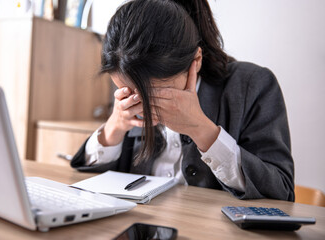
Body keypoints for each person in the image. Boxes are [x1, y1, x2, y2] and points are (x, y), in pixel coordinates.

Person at [71, 0, 294, 201]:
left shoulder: (251, 84)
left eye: (159, 93)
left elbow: (281, 191)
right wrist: (115, 128)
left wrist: (202, 130)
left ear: (195, 61)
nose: (146, 105)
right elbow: (90, 186)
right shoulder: (128, 68)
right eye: (129, 92)